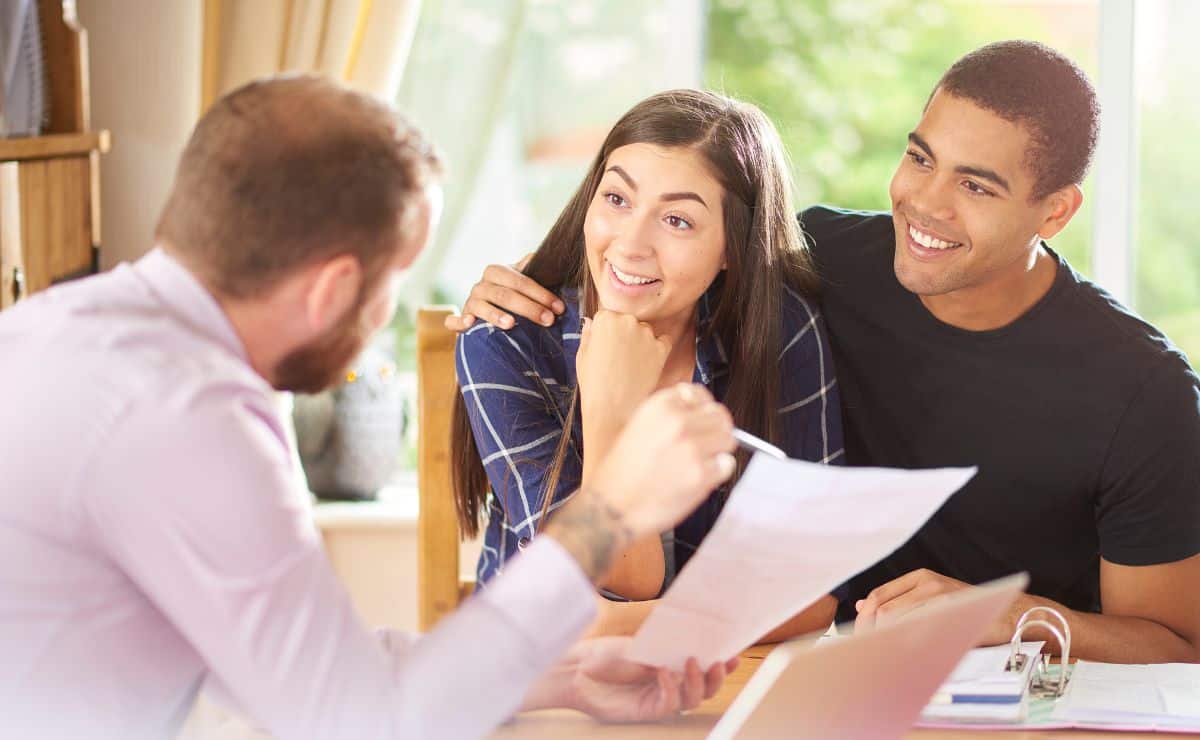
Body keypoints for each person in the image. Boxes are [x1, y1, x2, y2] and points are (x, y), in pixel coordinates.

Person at [0, 76, 741, 739]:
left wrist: (567, 679)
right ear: (332, 288)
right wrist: (607, 512)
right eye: (394, 280)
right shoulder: (190, 414)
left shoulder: (53, 329)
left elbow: (312, 673)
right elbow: (362, 723)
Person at [445, 41, 1200, 663]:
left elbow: (1179, 646)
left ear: (1056, 210)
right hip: (799, 673)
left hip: (1007, 692)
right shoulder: (820, 269)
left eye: (976, 185)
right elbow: (650, 252)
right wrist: (511, 307)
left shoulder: (1144, 393)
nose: (925, 204)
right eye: (920, 157)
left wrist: (1008, 612)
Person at [450, 89, 843, 640]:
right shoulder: (508, 339)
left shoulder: (778, 330)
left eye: (677, 220)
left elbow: (815, 595)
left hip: (716, 677)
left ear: (733, 245)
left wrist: (620, 626)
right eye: (616, 199)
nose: (631, 244)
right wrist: (614, 406)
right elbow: (620, 578)